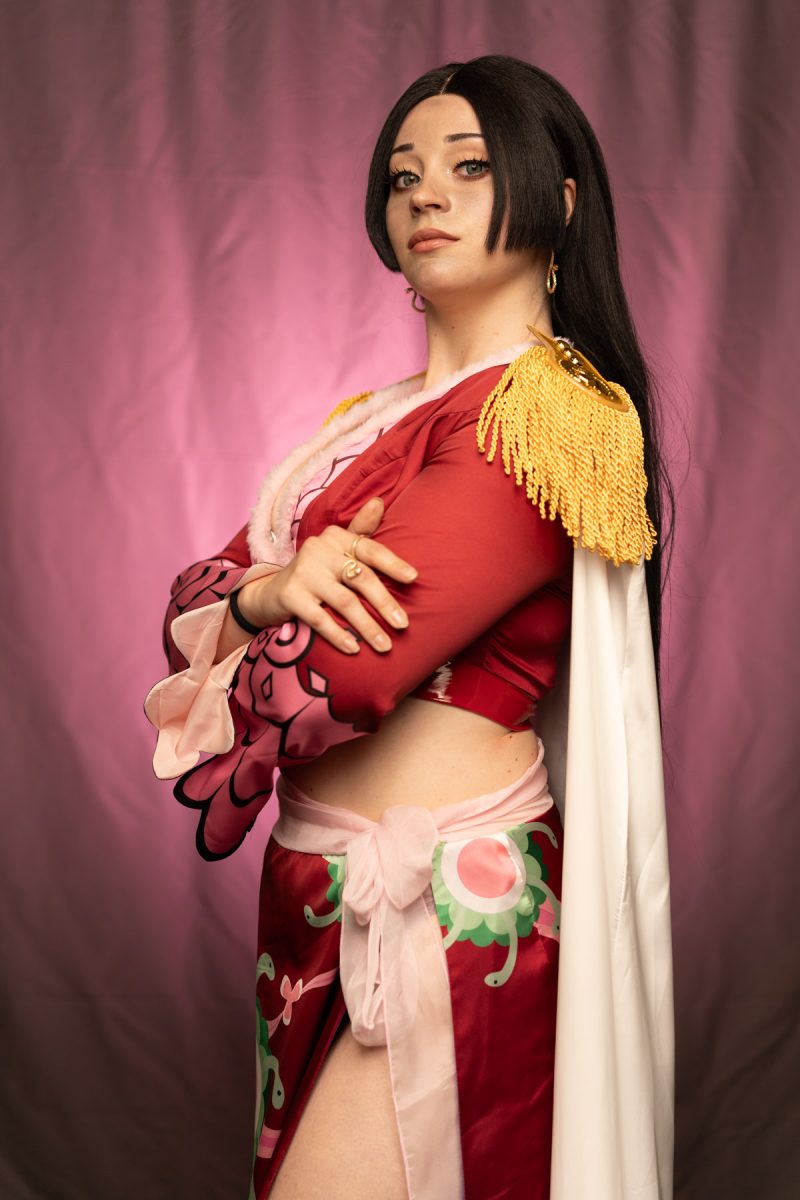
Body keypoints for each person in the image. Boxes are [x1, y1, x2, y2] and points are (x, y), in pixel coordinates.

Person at [145, 55, 674, 1200]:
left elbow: (338, 681)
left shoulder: (541, 415)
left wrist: (242, 609)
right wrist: (267, 594)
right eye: (402, 174)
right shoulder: (364, 423)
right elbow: (195, 599)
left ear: (557, 201)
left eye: (470, 167)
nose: (425, 193)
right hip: (309, 888)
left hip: (440, 901)